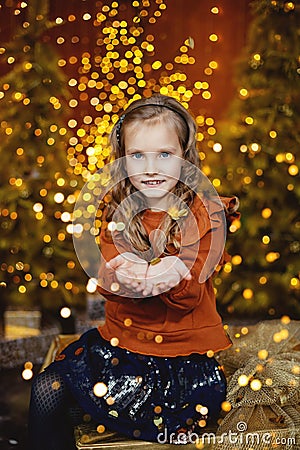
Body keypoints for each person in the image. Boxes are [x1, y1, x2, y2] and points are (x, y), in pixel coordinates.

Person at [29, 94, 240, 449]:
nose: (151, 168)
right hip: (120, 348)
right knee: (46, 389)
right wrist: (122, 277)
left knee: (170, 432)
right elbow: (108, 280)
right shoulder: (119, 213)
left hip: (179, 362)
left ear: (185, 157)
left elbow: (187, 298)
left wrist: (172, 273)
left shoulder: (206, 215)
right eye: (137, 155)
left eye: (165, 155)